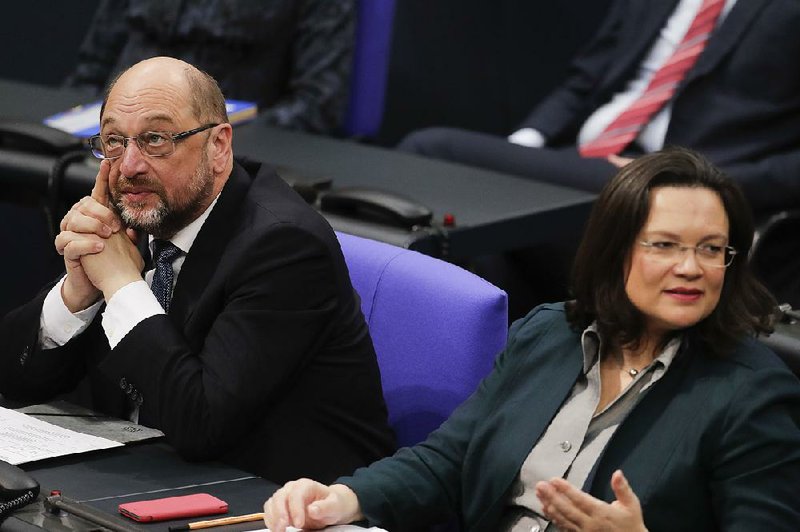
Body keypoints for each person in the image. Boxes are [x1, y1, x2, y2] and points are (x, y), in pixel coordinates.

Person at [262, 147, 800, 531]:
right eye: (664, 245)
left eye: (712, 249)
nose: (691, 267)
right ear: (615, 251)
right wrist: (343, 498)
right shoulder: (551, 332)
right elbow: (449, 459)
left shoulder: (752, 392)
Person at [0, 57, 395, 484]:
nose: (129, 166)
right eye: (114, 140)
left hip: (275, 499)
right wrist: (77, 295)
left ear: (219, 146)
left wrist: (119, 284)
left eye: (155, 139)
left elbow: (198, 424)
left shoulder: (285, 247)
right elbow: (13, 382)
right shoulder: (137, 220)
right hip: (143, 476)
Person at [398, 0, 800, 215]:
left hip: (677, 185)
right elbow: (586, 79)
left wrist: (706, 182)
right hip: (585, 161)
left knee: (432, 150)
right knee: (477, 234)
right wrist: (524, 143)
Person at [65, 0, 356, 134]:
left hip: (227, 150)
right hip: (110, 139)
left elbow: (318, 104)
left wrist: (211, 145)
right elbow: (93, 66)